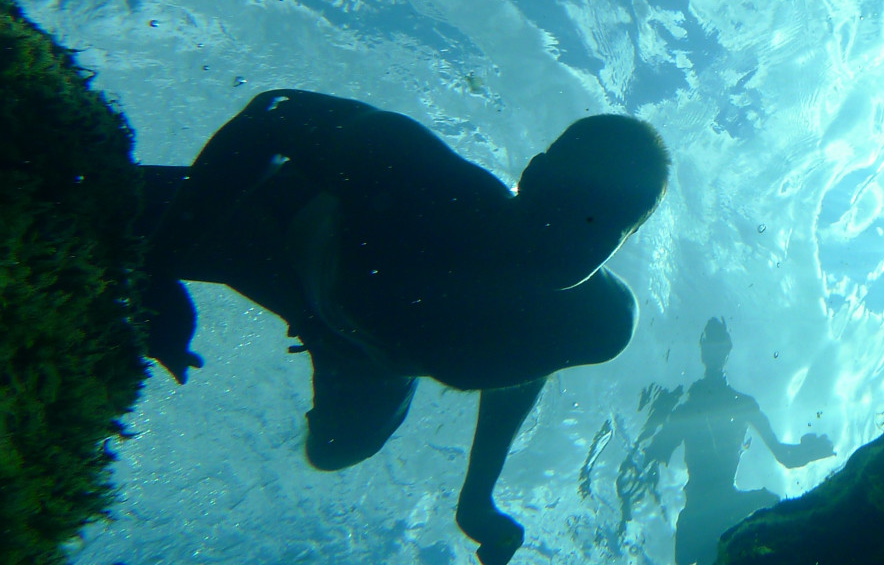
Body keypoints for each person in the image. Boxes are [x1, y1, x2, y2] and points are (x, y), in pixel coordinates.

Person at [139, 89, 668, 565]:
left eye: (595, 229)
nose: (561, 242)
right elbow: (269, 116)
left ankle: (315, 329)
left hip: (361, 352)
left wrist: (477, 498)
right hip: (273, 239)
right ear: (529, 176)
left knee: (334, 451)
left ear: (619, 248)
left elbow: (529, 361)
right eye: (561, 208)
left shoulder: (592, 324)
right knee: (80, 196)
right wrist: (157, 272)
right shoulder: (414, 175)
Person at [629, 318, 834, 565]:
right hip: (699, 511)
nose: (715, 350)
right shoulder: (686, 409)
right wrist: (657, 418)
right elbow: (652, 458)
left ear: (727, 349)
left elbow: (784, 456)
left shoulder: (738, 405)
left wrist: (810, 452)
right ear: (703, 350)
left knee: (772, 502)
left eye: (719, 343)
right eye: (710, 343)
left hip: (719, 505)